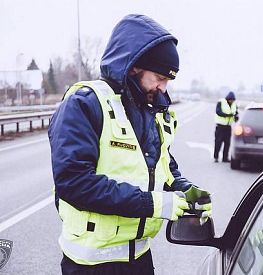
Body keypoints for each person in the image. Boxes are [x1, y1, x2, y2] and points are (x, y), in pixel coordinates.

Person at [48, 14, 212, 275]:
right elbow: (74, 182)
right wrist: (154, 204)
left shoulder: (151, 112)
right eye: (159, 77)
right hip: (90, 264)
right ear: (134, 66)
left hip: (140, 258)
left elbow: (162, 170)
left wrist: (185, 190)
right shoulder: (85, 104)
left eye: (168, 80)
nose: (163, 87)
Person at [213, 91, 238, 162]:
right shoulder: (221, 102)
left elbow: (236, 113)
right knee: (218, 142)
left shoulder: (234, 104)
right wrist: (228, 115)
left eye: (233, 100)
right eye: (231, 100)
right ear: (228, 99)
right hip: (220, 127)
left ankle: (225, 158)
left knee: (227, 143)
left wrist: (236, 117)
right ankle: (216, 157)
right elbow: (218, 112)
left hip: (228, 127)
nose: (232, 101)